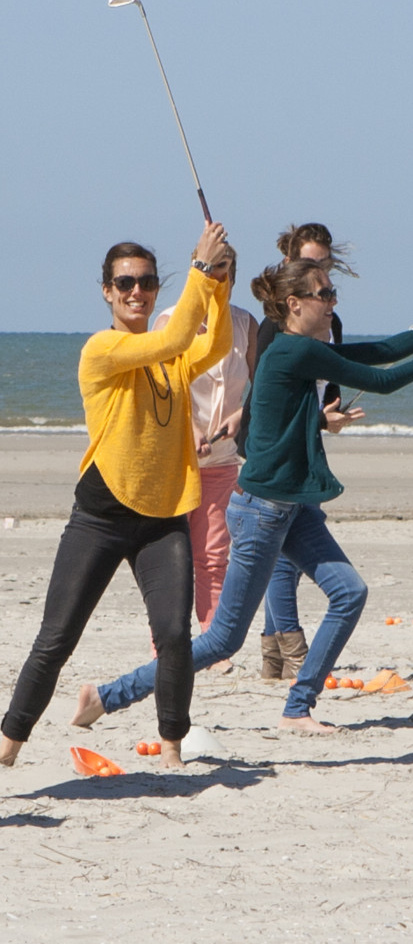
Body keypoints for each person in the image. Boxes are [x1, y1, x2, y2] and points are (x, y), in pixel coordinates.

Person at [73, 257, 413, 733]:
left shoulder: (303, 348)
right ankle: (106, 696)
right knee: (221, 641)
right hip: (261, 512)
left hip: (291, 507)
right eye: (325, 294)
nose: (333, 302)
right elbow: (383, 379)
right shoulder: (292, 351)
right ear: (295, 304)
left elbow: (378, 350)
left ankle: (298, 708)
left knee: (349, 593)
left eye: (333, 292)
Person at [1, 219, 232, 769]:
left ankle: (172, 752)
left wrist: (219, 285)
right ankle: (7, 747)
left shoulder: (170, 357)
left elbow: (214, 343)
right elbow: (175, 337)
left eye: (147, 282)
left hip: (163, 517)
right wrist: (200, 270)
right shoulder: (101, 349)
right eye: (125, 282)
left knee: (174, 636)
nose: (137, 291)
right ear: (107, 291)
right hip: (100, 516)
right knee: (56, 639)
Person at [242, 223, 363, 680]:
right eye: (310, 262)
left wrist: (329, 412)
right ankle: (290, 647)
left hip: (304, 439)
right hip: (273, 445)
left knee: (287, 545)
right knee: (281, 548)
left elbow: (330, 380)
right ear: (289, 263)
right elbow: (270, 394)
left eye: (325, 264)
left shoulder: (330, 322)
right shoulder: (277, 326)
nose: (320, 272)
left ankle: (274, 654)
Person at [152, 244, 259, 665]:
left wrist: (240, 415)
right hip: (176, 461)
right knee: (171, 557)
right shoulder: (170, 321)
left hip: (223, 458)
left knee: (214, 555)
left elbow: (262, 388)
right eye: (211, 268)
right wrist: (188, 429)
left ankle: (213, 643)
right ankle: (165, 645)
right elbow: (161, 390)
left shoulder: (245, 324)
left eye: (225, 269)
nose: (218, 277)